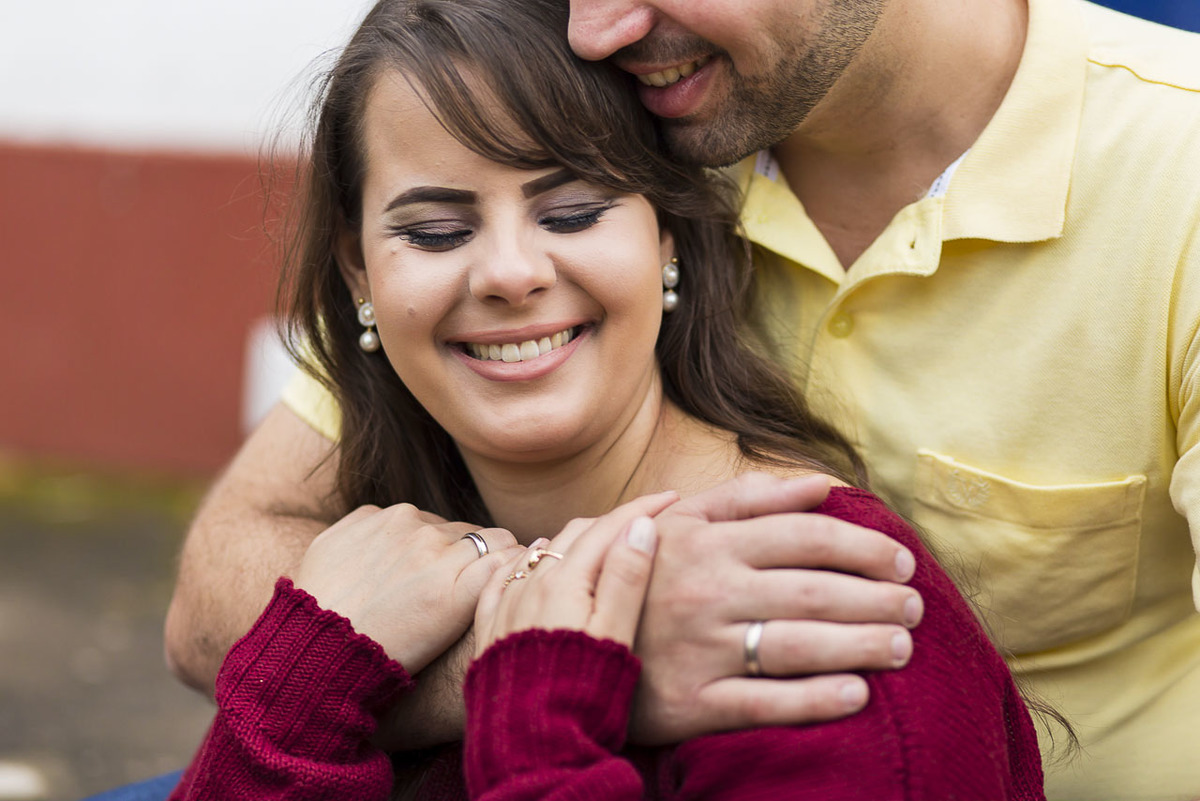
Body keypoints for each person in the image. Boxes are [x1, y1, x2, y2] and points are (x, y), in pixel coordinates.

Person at [164, 0, 1200, 798]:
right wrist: (578, 631)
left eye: (571, 208)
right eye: (435, 232)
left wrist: (566, 666)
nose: (593, 26)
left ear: (672, 240)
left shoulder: (1175, 165)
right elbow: (217, 600)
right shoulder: (631, 99)